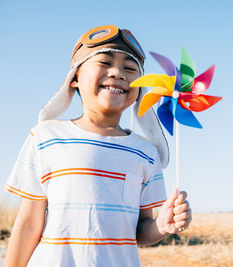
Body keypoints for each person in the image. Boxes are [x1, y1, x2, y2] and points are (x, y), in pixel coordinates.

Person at [4, 25, 192, 267]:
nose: (118, 73)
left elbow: (140, 231)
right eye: (104, 63)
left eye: (130, 68)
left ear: (142, 89)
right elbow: (29, 223)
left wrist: (162, 226)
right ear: (74, 78)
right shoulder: (45, 137)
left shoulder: (146, 153)